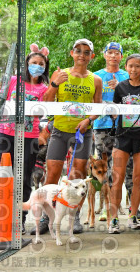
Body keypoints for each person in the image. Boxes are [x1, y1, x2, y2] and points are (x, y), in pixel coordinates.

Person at [34, 38, 102, 236]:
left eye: (86, 52)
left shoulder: (96, 80)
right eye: (78, 51)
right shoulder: (60, 73)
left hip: (83, 132)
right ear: (72, 53)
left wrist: (88, 120)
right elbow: (47, 101)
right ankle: (46, 217)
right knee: (52, 175)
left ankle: (75, 216)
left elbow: (97, 107)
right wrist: (55, 84)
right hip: (60, 130)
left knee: (78, 175)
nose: (82, 55)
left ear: (91, 56)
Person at [0, 44, 49, 230]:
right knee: (3, 176)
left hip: (29, 138)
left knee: (25, 178)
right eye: (34, 62)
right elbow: (0, 101)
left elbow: (43, 112)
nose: (37, 66)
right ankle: (3, 217)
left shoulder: (44, 89)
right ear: (27, 64)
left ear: (45, 67)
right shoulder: (13, 81)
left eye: (41, 64)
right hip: (5, 134)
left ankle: (20, 219)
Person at [108, 53, 140, 234]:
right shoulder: (121, 87)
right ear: (126, 67)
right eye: (130, 66)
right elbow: (115, 109)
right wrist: (113, 112)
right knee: (117, 177)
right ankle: (114, 219)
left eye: (137, 66)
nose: (134, 69)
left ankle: (132, 216)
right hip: (122, 137)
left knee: (137, 178)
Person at [93, 42, 129, 166]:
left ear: (121, 57)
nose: (113, 56)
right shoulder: (95, 75)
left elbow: (133, 99)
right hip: (101, 124)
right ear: (104, 55)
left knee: (122, 162)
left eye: (117, 53)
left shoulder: (127, 75)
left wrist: (119, 88)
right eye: (110, 53)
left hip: (123, 125)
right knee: (103, 163)